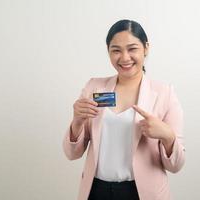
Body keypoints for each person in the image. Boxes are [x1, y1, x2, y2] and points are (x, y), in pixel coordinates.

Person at [63, 19, 185, 200]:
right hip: (96, 191)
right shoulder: (94, 87)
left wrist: (167, 135)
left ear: (146, 48)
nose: (125, 57)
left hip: (141, 193)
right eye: (116, 50)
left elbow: (176, 165)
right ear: (108, 52)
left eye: (132, 48)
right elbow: (72, 154)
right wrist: (77, 122)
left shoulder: (164, 93)